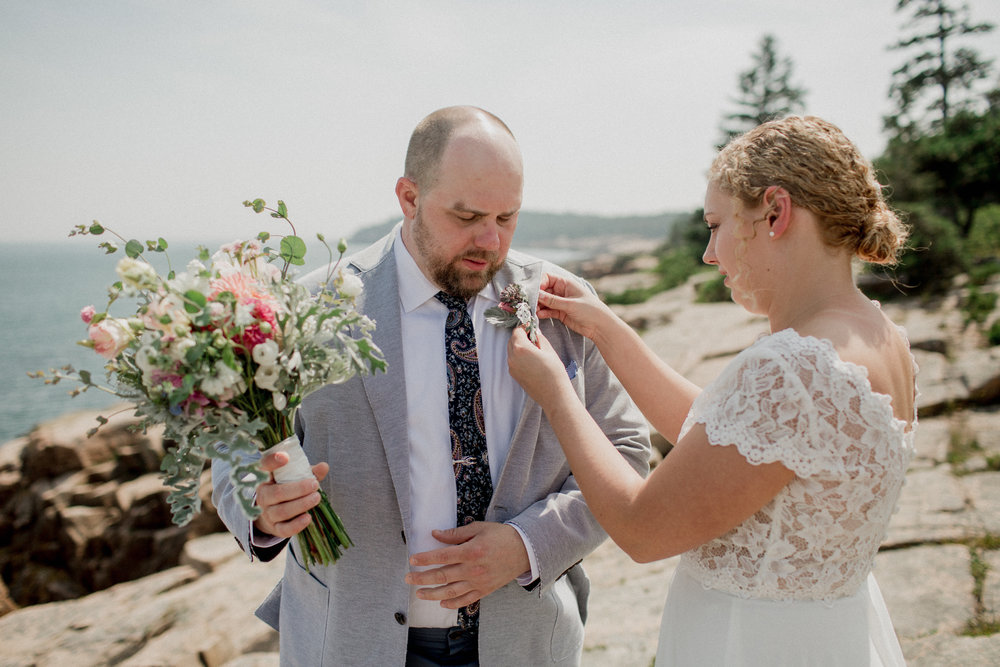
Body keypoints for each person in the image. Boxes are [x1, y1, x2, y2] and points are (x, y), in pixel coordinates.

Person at [211, 105, 650, 666]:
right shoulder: (309, 308)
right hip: (351, 641)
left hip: (525, 643)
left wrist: (527, 545)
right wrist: (261, 507)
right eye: (466, 216)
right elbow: (235, 447)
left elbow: (626, 455)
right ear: (409, 197)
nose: (491, 242)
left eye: (507, 218)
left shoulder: (560, 302)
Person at [507, 115, 916, 666]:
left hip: (753, 647)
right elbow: (729, 449)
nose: (708, 252)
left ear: (775, 213)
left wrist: (556, 392)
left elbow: (642, 530)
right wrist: (605, 327)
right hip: (827, 637)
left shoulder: (792, 369)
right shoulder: (879, 337)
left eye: (716, 224)